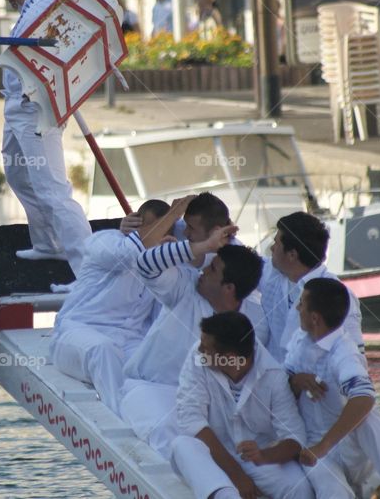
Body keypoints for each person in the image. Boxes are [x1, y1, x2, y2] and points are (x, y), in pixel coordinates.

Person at [0, 0, 97, 276]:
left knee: (53, 189)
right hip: (13, 98)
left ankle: (87, 271)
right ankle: (47, 243)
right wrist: (25, 1)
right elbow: (38, 19)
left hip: (36, 103)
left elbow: (59, 39)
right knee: (17, 175)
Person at [118, 241, 266, 456]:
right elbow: (145, 264)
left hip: (208, 404)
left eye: (212, 268)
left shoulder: (256, 319)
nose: (203, 271)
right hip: (151, 388)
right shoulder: (186, 287)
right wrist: (202, 245)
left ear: (229, 288)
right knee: (167, 432)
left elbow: (246, 369)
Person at [287, 278, 380, 499]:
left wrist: (324, 445)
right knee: (334, 491)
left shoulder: (344, 351)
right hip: (312, 441)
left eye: (302, 304)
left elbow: (363, 398)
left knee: (369, 419)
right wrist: (295, 380)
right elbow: (280, 382)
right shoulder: (299, 339)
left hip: (342, 444)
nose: (297, 308)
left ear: (315, 317)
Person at [51, 199, 176, 412]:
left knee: (160, 365)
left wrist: (175, 219)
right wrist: (173, 214)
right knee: (103, 351)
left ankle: (160, 420)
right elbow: (126, 255)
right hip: (78, 333)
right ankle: (121, 416)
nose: (158, 237)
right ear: (136, 224)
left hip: (129, 340)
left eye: (163, 231)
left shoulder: (165, 260)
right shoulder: (103, 241)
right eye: (154, 230)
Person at [171, 312, 311, 499]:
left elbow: (294, 437)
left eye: (206, 348)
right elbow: (191, 420)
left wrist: (263, 456)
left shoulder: (274, 375)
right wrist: (237, 476)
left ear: (229, 357)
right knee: (182, 445)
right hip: (211, 456)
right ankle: (226, 493)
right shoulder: (197, 358)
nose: (199, 351)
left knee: (300, 489)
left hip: (256, 459)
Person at [258, 211, 363, 363]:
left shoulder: (337, 295)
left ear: (292, 255)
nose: (272, 248)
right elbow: (237, 259)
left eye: (276, 243)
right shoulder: (273, 274)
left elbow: (354, 357)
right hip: (274, 384)